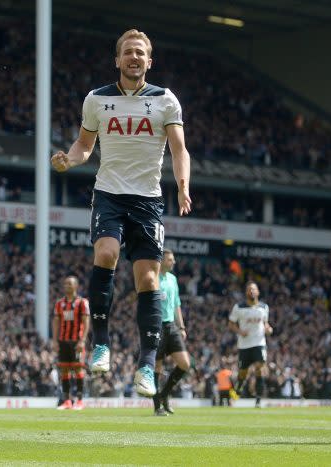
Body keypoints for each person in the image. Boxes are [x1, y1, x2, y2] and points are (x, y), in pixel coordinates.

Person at [51, 28, 192, 397]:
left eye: (140, 53)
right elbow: (84, 144)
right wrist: (70, 159)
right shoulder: (97, 99)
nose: (134, 58)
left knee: (148, 280)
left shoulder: (165, 100)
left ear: (149, 61)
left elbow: (179, 149)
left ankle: (146, 365)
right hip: (109, 192)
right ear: (117, 60)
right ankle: (101, 343)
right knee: (107, 253)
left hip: (147, 200)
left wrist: (182, 185)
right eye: (128, 52)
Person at [152, 249, 191, 416]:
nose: (173, 262)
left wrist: (181, 327)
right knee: (157, 367)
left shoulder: (173, 279)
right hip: (156, 326)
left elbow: (176, 305)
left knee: (185, 364)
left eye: (173, 259)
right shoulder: (152, 278)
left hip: (171, 326)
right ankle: (157, 406)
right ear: (161, 261)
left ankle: (164, 394)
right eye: (170, 259)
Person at [228, 281, 273, 408]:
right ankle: (235, 395)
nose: (251, 291)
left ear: (258, 292)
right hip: (244, 345)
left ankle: (258, 399)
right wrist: (239, 331)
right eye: (249, 290)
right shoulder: (239, 307)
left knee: (260, 368)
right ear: (246, 293)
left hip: (259, 343)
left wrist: (268, 329)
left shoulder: (264, 307)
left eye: (254, 289)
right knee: (243, 373)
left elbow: (265, 323)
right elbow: (231, 323)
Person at [52, 276, 90, 410]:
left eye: (69, 283)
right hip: (63, 341)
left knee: (78, 368)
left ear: (76, 286)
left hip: (76, 341)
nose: (66, 285)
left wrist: (83, 340)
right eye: (65, 283)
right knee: (64, 370)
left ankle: (79, 401)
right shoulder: (59, 303)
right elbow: (56, 322)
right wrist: (55, 340)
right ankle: (67, 401)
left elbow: (86, 322)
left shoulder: (82, 302)